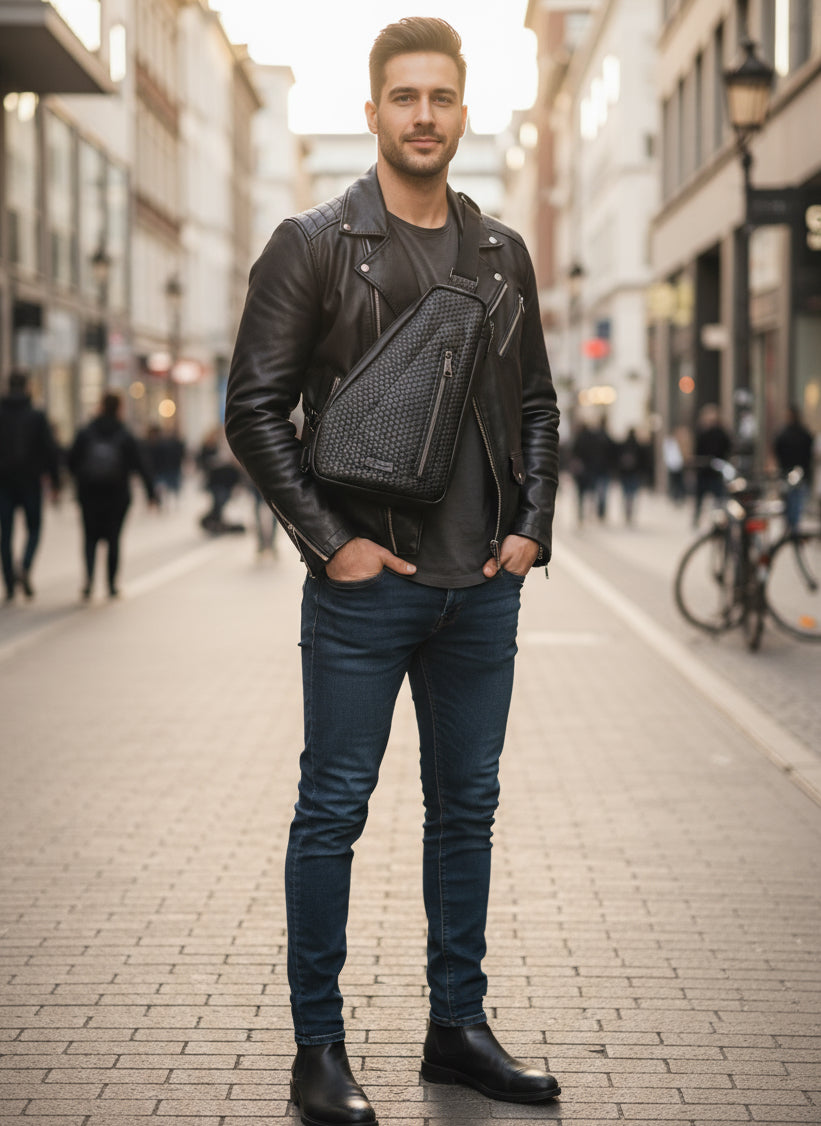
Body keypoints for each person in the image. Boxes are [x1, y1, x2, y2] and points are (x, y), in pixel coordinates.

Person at [225, 17, 561, 1125]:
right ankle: (317, 1050)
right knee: (333, 810)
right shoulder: (315, 244)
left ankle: (455, 1030)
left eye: (441, 97)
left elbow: (537, 405)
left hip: (481, 588)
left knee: (467, 811)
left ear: (463, 112)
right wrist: (335, 544)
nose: (424, 115)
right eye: (404, 97)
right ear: (372, 112)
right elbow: (253, 410)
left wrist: (529, 526)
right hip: (367, 590)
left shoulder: (500, 252)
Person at [68, 391, 156, 599]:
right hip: (117, 495)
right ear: (119, 408)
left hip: (89, 494)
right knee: (114, 539)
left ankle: (89, 582)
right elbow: (140, 464)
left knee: (89, 539)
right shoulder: (124, 434)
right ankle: (111, 585)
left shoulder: (86, 432)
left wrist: (81, 479)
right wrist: (151, 493)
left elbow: (71, 461)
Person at [0, 370, 61, 603]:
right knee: (34, 528)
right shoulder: (36, 415)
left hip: (4, 482)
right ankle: (24, 566)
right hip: (30, 482)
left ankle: (9, 583)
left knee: (5, 534)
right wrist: (56, 482)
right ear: (27, 387)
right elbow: (50, 451)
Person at [773, 405, 814, 529]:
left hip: (790, 471)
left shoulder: (785, 434)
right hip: (797, 471)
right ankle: (793, 524)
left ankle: (791, 524)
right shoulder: (802, 433)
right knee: (795, 500)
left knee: (792, 499)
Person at [692, 403, 732, 526]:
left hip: (715, 471)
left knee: (718, 499)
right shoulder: (702, 432)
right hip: (705, 471)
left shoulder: (720, 433)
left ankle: (718, 521)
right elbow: (697, 450)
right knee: (701, 499)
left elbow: (727, 448)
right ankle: (697, 518)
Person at [617, 427, 646, 525]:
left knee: (626, 493)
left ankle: (627, 511)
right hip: (634, 473)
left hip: (625, 473)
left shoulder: (623, 446)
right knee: (632, 494)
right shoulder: (637, 445)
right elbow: (643, 461)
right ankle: (630, 511)